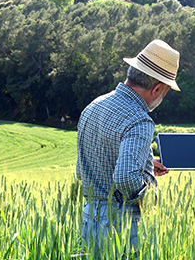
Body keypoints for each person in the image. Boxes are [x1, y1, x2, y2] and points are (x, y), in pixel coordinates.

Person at [76, 39, 180, 258]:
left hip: (88, 219)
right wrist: (146, 195)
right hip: (121, 224)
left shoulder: (92, 107)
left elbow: (81, 170)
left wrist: (144, 162)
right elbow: (124, 177)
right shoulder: (139, 120)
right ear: (158, 88)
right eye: (166, 91)